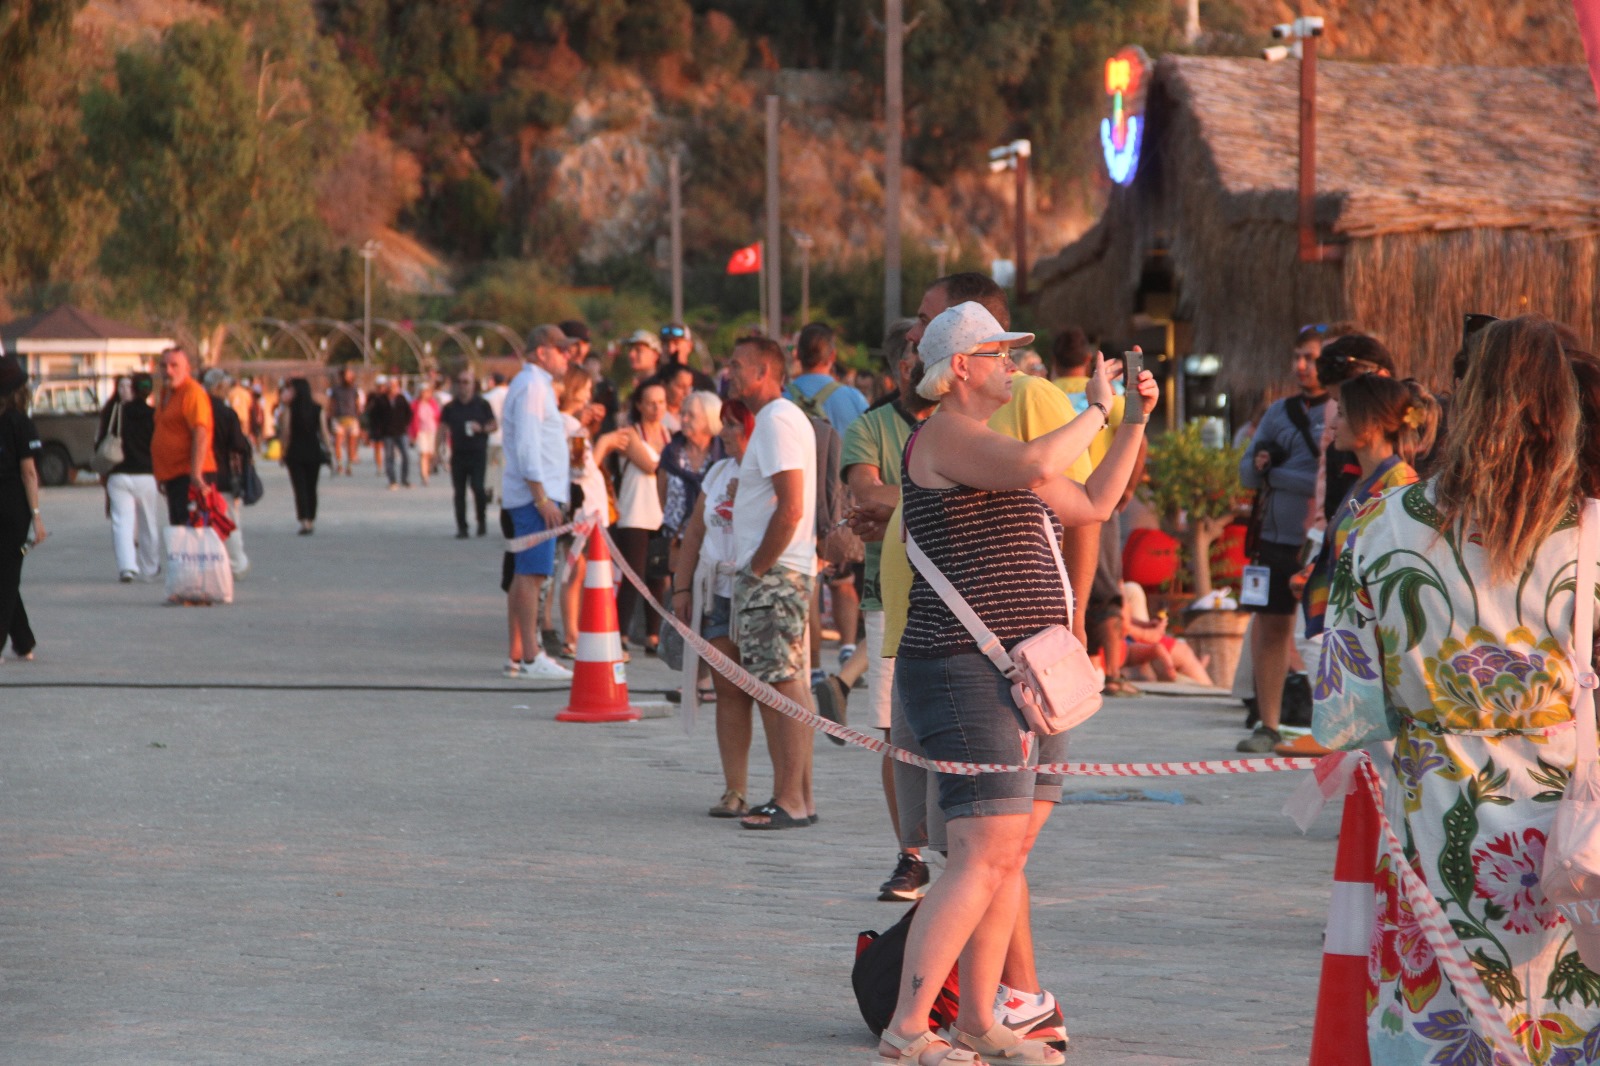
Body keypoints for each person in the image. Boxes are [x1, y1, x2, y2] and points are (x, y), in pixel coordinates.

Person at [1312, 315, 1600, 1059]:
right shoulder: (1592, 535)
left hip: (1430, 821)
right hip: (1572, 840)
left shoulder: (1380, 523)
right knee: (1562, 1019)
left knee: (1437, 1024)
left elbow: (1343, 713)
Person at [877, 300, 1155, 1066]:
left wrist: (1130, 418)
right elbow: (1041, 467)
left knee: (1000, 858)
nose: (1014, 364)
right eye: (1001, 353)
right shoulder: (947, 436)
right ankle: (907, 1029)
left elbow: (1093, 502)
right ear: (959, 368)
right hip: (964, 672)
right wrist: (1097, 408)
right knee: (980, 855)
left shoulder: (989, 444)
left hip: (1019, 675)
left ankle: (976, 1021)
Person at [837, 318, 936, 899]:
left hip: (963, 593)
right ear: (904, 367)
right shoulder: (869, 427)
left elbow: (885, 501)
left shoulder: (965, 424)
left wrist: (903, 502)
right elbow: (865, 496)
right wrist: (947, 489)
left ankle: (963, 850)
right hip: (889, 598)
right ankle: (911, 855)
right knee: (899, 736)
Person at [724, 335, 819, 831]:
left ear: (765, 371)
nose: (729, 372)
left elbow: (793, 506)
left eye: (737, 365)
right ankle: (798, 794)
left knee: (781, 683)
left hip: (776, 574)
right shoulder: (776, 422)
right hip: (781, 570)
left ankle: (790, 799)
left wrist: (757, 569)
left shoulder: (778, 420)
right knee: (782, 681)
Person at [1234, 324, 1327, 753]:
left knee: (1324, 634)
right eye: (1297, 357)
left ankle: (1326, 728)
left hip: (1321, 542)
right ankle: (1268, 724)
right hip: (1274, 538)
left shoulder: (1343, 412)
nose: (1301, 366)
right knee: (1271, 628)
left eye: (1310, 357)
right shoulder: (1277, 412)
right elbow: (1248, 473)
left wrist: (1279, 471)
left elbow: (1323, 483)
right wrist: (1263, 464)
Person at [672, 398, 756, 817]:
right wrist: (681, 587)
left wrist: (753, 498)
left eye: (734, 425)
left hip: (758, 591)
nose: (725, 432)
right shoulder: (719, 472)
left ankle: (789, 792)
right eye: (723, 424)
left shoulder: (769, 471)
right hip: (718, 591)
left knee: (774, 692)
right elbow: (695, 530)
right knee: (728, 690)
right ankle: (734, 789)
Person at [788, 322, 869, 675]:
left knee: (808, 584)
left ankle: (815, 664)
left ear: (797, 356)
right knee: (844, 580)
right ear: (832, 356)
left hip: (796, 499)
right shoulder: (851, 397)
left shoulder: (783, 395)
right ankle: (849, 648)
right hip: (840, 503)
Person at [501, 324, 578, 682]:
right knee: (532, 575)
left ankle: (519, 653)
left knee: (525, 574)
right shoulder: (532, 386)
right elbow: (528, 445)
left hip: (531, 495)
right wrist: (542, 497)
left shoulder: (535, 385)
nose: (568, 356)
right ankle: (531, 656)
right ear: (540, 352)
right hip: (535, 498)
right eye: (561, 349)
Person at [611, 381, 671, 655]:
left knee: (656, 576)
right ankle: (620, 631)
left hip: (661, 514)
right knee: (632, 574)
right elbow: (651, 465)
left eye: (661, 401)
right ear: (639, 405)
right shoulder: (629, 434)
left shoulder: (670, 435)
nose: (657, 408)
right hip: (634, 512)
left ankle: (653, 634)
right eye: (650, 402)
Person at [0, 355, 45, 661]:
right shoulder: (21, 423)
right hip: (13, 506)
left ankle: (23, 640)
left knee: (4, 570)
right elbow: (29, 473)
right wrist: (37, 517)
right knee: (6, 577)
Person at [96, 374, 161, 582]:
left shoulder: (117, 412)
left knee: (121, 522)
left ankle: (127, 567)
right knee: (148, 522)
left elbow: (100, 442)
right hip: (146, 475)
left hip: (119, 473)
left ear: (132, 389)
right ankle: (150, 567)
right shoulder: (155, 415)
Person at [151, 347, 215, 527]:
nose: (168, 371)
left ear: (187, 369)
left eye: (174, 365)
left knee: (191, 536)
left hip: (190, 476)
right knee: (179, 532)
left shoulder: (191, 393)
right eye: (163, 366)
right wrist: (162, 476)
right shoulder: (166, 393)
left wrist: (196, 473)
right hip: (174, 477)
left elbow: (200, 433)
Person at [203, 369, 254, 577]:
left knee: (204, 521)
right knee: (229, 520)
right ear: (217, 388)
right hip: (223, 475)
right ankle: (236, 563)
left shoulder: (198, 410)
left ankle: (211, 563)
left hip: (200, 474)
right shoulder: (226, 413)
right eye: (225, 387)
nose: (227, 391)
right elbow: (239, 445)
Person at [441, 370, 496, 539]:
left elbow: (494, 425)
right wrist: (438, 450)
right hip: (458, 453)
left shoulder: (482, 404)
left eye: (466, 382)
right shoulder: (450, 407)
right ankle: (462, 527)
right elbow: (442, 428)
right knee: (459, 491)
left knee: (478, 487)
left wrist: (482, 428)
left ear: (473, 385)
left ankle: (481, 520)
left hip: (477, 452)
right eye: (460, 382)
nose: (462, 386)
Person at [278, 378, 331, 535]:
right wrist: (329, 450)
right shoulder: (317, 408)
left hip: (295, 453)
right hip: (314, 452)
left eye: (291, 390)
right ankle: (311, 517)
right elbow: (324, 432)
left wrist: (283, 452)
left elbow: (286, 433)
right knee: (311, 487)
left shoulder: (289, 410)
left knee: (299, 487)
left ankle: (304, 520)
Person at [326, 366, 363, 475]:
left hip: (352, 418)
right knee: (338, 442)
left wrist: (358, 416)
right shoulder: (335, 389)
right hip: (338, 417)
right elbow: (331, 403)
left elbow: (357, 403)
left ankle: (349, 465)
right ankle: (340, 464)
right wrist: (330, 415)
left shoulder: (354, 389)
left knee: (351, 443)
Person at [378, 377, 412, 490]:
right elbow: (375, 416)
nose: (392, 388)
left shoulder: (401, 399)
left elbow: (409, 413)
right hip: (387, 433)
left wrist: (405, 424)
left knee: (406, 455)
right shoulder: (381, 399)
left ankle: (404, 479)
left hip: (401, 431)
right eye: (390, 385)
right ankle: (392, 480)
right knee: (389, 457)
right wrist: (379, 429)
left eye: (394, 385)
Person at [410, 381, 441, 487]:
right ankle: (424, 475)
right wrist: (412, 434)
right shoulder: (415, 404)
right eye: (423, 392)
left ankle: (427, 470)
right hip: (421, 431)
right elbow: (411, 420)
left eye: (427, 392)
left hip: (432, 431)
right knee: (423, 453)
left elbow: (438, 417)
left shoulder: (433, 403)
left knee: (430, 453)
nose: (425, 394)